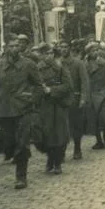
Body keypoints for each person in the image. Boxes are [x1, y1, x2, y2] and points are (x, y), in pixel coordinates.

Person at [0, 35, 42, 189]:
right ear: (6, 48)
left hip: (23, 109)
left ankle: (21, 176)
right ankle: (13, 157)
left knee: (22, 143)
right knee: (9, 142)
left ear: (20, 47)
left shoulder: (28, 65)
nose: (14, 49)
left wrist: (31, 98)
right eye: (11, 46)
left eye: (16, 46)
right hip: (4, 110)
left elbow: (39, 85)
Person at [36, 43, 72, 175]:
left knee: (58, 135)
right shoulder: (36, 69)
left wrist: (51, 90)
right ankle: (50, 159)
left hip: (58, 105)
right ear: (40, 55)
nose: (49, 56)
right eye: (46, 54)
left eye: (51, 53)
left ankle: (57, 162)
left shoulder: (60, 68)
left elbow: (68, 86)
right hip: (42, 106)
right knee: (43, 136)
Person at [83, 42, 105, 149]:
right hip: (91, 95)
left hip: (104, 94)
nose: (94, 52)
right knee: (94, 119)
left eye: (96, 50)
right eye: (92, 51)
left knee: (104, 117)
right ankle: (99, 140)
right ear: (88, 53)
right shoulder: (84, 65)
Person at [58, 40, 89, 160]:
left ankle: (77, 148)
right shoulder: (58, 63)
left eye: (65, 47)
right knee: (62, 126)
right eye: (61, 47)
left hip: (75, 98)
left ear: (70, 49)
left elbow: (84, 82)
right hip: (61, 100)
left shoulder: (78, 63)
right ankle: (62, 151)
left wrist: (83, 98)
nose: (63, 49)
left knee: (76, 125)